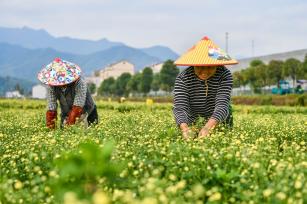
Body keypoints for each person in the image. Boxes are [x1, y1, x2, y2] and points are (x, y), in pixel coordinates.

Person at [173, 36, 238, 140]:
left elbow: (222, 104)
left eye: (210, 67)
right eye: (199, 66)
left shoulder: (224, 75)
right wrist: (185, 129)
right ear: (193, 63)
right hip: (192, 116)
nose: (204, 71)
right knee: (190, 138)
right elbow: (180, 107)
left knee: (222, 139)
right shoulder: (183, 78)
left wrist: (208, 127)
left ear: (216, 64)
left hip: (218, 118)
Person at [37, 58, 98, 129]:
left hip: (86, 111)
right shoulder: (52, 86)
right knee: (64, 132)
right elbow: (51, 106)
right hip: (66, 112)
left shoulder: (79, 82)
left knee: (88, 133)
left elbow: (78, 105)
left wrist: (70, 124)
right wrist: (51, 128)